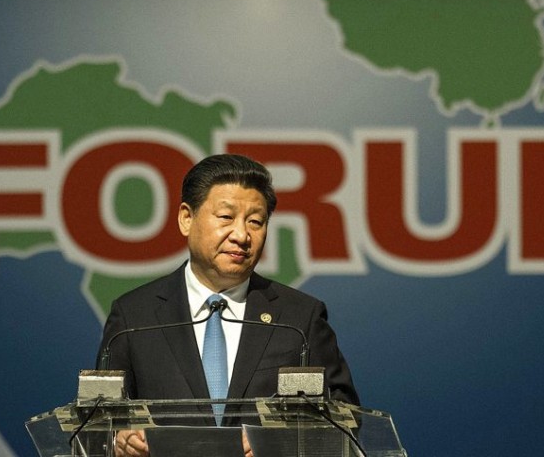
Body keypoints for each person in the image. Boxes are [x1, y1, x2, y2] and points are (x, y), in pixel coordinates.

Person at [97, 153, 358, 457]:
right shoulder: (134, 316)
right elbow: (95, 424)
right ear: (186, 218)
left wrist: (279, 444)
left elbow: (346, 423)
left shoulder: (300, 319)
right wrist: (116, 440)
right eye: (226, 217)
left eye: (256, 222)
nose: (242, 235)